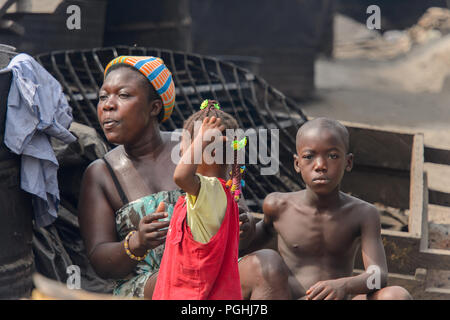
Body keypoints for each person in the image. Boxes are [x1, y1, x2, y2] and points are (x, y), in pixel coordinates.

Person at [78, 56, 252, 299]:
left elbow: (234, 206)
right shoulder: (100, 174)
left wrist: (240, 225)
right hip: (149, 284)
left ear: (154, 108)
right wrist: (137, 243)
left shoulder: (191, 146)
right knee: (184, 278)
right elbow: (100, 261)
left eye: (124, 95)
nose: (108, 105)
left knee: (266, 265)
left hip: (209, 263)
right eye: (103, 97)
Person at [238, 117, 412, 300]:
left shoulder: (363, 213)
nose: (320, 165)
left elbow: (379, 276)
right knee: (267, 260)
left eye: (333, 156)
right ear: (297, 164)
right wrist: (245, 230)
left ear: (348, 162)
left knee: (396, 296)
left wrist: (344, 285)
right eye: (309, 156)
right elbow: (243, 251)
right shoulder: (278, 206)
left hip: (339, 297)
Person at [153, 99, 245, 300]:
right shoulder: (210, 195)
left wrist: (202, 138)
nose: (179, 151)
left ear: (209, 150)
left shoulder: (211, 190)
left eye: (187, 143)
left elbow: (181, 176)